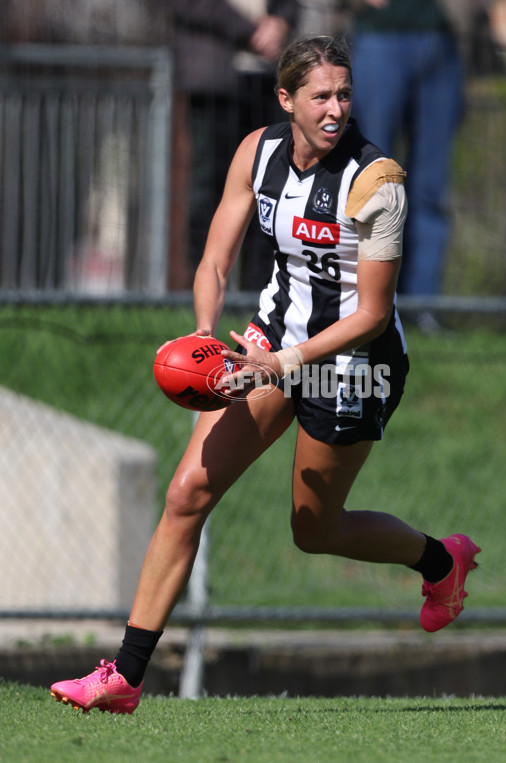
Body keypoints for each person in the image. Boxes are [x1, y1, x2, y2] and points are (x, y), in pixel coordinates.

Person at [50, 35, 480, 714]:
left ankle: (439, 561)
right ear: (286, 99)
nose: (336, 108)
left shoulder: (379, 181)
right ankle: (125, 677)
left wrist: (278, 364)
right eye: (320, 96)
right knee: (187, 490)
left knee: (315, 529)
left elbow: (371, 312)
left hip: (353, 363)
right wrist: (202, 332)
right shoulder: (258, 152)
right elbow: (216, 261)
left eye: (344, 93)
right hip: (273, 344)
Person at [350, 0, 473, 328]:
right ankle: (368, 307)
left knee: (431, 189)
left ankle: (423, 309)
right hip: (380, 38)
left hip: (443, 39)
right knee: (375, 183)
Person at [169, 0, 299, 290]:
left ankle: (259, 294)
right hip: (214, 79)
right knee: (208, 188)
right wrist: (252, 30)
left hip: (268, 77)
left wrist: (281, 22)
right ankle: (201, 291)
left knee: (267, 186)